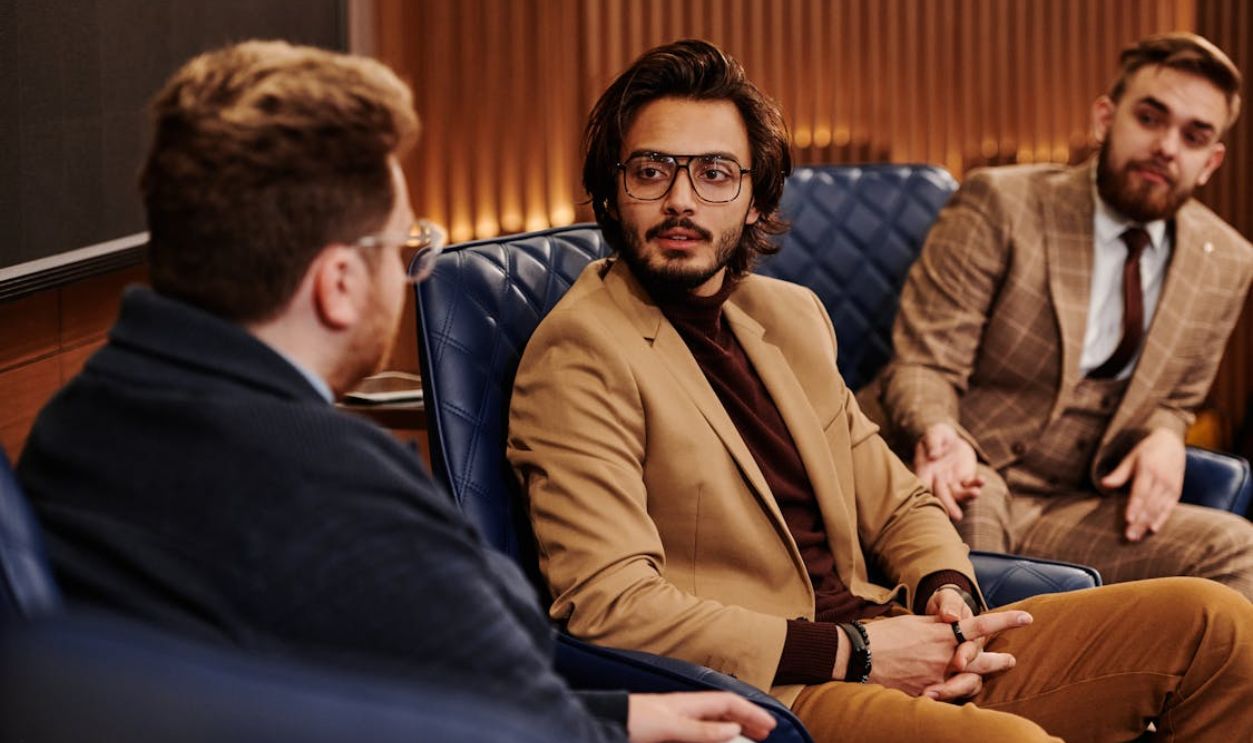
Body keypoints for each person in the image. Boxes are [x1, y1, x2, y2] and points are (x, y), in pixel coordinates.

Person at [16, 40, 774, 743]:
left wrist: (621, 711)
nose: (406, 270)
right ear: (338, 284)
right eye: (403, 244)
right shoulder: (328, 482)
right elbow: (521, 719)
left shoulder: (74, 421)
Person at [507, 38, 1253, 742]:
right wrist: (854, 651)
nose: (681, 199)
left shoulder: (787, 316)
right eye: (649, 170)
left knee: (1215, 626)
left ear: (753, 201)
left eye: (714, 173)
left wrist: (946, 591)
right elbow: (613, 609)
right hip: (785, 687)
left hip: (897, 635)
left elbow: (899, 502)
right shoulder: (580, 353)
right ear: (611, 191)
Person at [876, 32, 1253, 596]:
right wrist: (939, 434)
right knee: (970, 532)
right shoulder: (1001, 203)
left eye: (1194, 136)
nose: (1167, 147)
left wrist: (1167, 435)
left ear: (1210, 162)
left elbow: (1177, 399)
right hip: (968, 469)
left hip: (1080, 505)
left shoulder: (1228, 261)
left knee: (1239, 551)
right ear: (1105, 118)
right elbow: (924, 364)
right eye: (1150, 118)